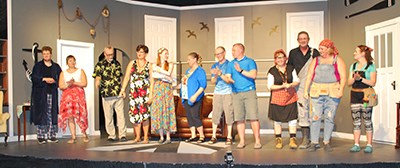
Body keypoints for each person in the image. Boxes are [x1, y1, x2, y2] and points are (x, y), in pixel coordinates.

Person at [304, 39, 346, 152]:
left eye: (322, 48)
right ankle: (314, 142)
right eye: (319, 48)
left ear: (329, 48)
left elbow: (343, 77)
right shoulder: (316, 60)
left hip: (332, 91)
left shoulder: (337, 59)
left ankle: (326, 142)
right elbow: (309, 76)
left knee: (329, 117)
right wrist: (305, 91)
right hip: (316, 91)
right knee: (315, 117)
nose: (320, 50)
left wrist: (341, 89)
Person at [287, 31, 320, 149]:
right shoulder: (293, 53)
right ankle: (306, 138)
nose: (303, 40)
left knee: (315, 110)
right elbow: (289, 68)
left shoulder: (314, 52)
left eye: (305, 38)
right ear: (298, 40)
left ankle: (315, 139)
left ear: (308, 39)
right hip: (299, 85)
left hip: (313, 84)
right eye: (300, 38)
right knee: (303, 110)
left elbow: (319, 67)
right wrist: (290, 82)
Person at [225, 43, 261, 149]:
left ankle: (257, 141)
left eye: (234, 50)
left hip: (249, 92)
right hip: (236, 93)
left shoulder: (250, 61)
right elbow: (228, 77)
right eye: (232, 50)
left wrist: (240, 70)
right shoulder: (231, 64)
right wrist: (229, 79)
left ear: (241, 50)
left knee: (253, 117)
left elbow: (253, 75)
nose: (232, 52)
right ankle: (242, 141)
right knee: (239, 119)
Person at [93, 46, 127, 143]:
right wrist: (97, 83)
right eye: (108, 54)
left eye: (112, 54)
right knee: (108, 116)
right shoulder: (100, 65)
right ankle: (111, 135)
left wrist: (123, 90)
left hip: (118, 93)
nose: (110, 56)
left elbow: (120, 78)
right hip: (107, 94)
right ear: (104, 54)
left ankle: (122, 135)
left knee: (121, 115)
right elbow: (97, 77)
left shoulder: (117, 64)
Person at [120, 44, 153, 144]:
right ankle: (138, 137)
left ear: (146, 54)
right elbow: (126, 77)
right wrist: (123, 89)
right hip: (134, 93)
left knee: (145, 115)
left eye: (142, 52)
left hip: (144, 93)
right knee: (135, 115)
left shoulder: (149, 65)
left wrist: (151, 95)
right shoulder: (132, 63)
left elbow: (152, 81)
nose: (139, 53)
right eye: (138, 51)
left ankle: (146, 137)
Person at [267, 49, 299, 149]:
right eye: (278, 58)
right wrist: (282, 86)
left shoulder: (291, 68)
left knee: (292, 119)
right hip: (277, 98)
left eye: (282, 57)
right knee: (277, 120)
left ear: (286, 58)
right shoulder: (272, 71)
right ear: (275, 60)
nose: (280, 59)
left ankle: (293, 140)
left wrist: (290, 84)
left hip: (290, 97)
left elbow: (297, 81)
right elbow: (270, 86)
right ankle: (278, 140)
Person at [347, 45, 377, 153]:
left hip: (366, 97)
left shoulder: (371, 66)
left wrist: (361, 79)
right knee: (356, 121)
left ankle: (369, 144)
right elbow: (349, 82)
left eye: (356, 51)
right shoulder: (353, 66)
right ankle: (356, 144)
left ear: (363, 53)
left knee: (367, 120)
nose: (354, 53)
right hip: (355, 95)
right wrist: (354, 79)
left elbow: (373, 82)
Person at [30, 46, 62, 144]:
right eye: (44, 54)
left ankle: (51, 135)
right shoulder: (38, 66)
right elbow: (34, 78)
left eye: (48, 53)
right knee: (41, 113)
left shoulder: (56, 66)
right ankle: (41, 136)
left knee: (51, 114)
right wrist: (44, 79)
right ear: (42, 55)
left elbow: (61, 79)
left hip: (52, 93)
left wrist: (54, 81)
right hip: (40, 94)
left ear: (51, 54)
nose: (46, 55)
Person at [58, 55, 89, 143]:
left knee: (81, 115)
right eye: (70, 61)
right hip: (67, 98)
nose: (72, 62)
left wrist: (74, 83)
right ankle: (73, 136)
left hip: (78, 96)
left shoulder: (80, 71)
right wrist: (68, 84)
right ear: (67, 62)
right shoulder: (63, 73)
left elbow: (84, 83)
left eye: (73, 60)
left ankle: (84, 133)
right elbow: (61, 86)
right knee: (70, 116)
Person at [208, 46, 234, 145]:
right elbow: (213, 81)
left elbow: (228, 81)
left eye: (220, 53)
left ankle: (229, 137)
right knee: (215, 115)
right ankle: (213, 136)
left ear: (224, 53)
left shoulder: (229, 65)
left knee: (229, 114)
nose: (218, 56)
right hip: (217, 93)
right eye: (216, 54)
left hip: (228, 92)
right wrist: (215, 75)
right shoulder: (214, 65)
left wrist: (219, 73)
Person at [150, 47, 176, 144]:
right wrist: (166, 77)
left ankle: (168, 136)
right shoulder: (154, 65)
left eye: (167, 53)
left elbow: (168, 73)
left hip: (166, 90)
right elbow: (154, 76)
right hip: (158, 90)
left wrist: (159, 72)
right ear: (160, 54)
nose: (167, 55)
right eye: (165, 53)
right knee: (159, 112)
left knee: (167, 111)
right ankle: (161, 136)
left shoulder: (170, 64)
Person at [181, 52, 207, 143]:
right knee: (189, 116)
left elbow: (203, 85)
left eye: (189, 59)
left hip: (195, 97)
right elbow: (185, 83)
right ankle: (193, 135)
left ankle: (202, 136)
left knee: (195, 116)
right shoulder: (188, 71)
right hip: (186, 97)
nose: (187, 61)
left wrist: (195, 96)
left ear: (195, 59)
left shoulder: (200, 71)